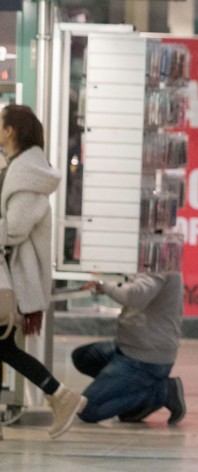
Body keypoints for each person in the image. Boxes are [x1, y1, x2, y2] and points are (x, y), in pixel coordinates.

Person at [0, 104, 87, 439]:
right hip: (11, 276)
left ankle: (62, 396)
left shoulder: (26, 174)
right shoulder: (19, 169)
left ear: (10, 131)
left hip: (15, 279)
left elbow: (17, 227)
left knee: (5, 348)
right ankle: (61, 396)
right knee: (5, 349)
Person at [74, 272, 185, 425]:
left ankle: (162, 391)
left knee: (87, 410)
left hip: (145, 358)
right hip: (128, 348)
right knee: (83, 357)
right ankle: (131, 396)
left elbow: (136, 296)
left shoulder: (159, 263)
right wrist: (104, 286)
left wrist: (104, 283)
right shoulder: (147, 261)